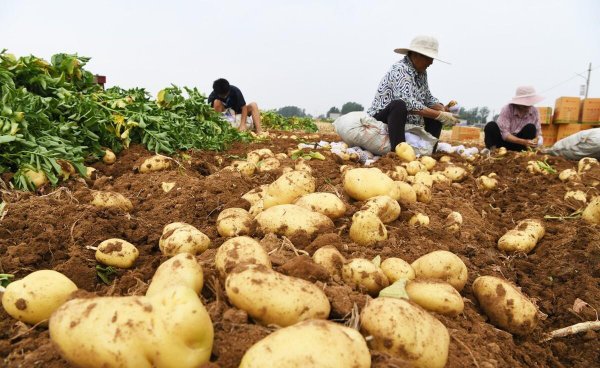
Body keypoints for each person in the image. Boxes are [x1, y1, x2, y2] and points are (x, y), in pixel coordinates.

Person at [367, 35, 460, 151]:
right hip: (384, 118)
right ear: (415, 55)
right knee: (399, 105)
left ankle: (429, 149)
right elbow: (408, 103)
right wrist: (439, 115)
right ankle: (398, 151)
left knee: (437, 111)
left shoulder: (422, 72)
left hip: (406, 121)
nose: (431, 62)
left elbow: (427, 99)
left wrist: (442, 109)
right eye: (428, 58)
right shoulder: (400, 69)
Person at [484, 86, 543, 151]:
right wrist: (523, 141)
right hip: (503, 143)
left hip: (521, 146)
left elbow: (538, 132)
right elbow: (505, 134)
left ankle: (523, 152)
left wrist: (539, 139)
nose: (528, 106)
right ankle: (492, 151)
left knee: (531, 127)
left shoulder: (534, 111)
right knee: (490, 125)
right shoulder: (507, 109)